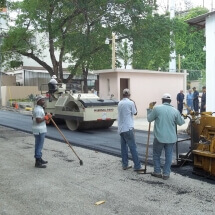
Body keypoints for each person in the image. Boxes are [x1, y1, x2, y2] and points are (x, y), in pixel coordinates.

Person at [147, 93, 185, 180]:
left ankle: (157, 172)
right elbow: (181, 122)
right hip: (171, 138)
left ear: (162, 100)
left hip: (159, 137)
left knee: (156, 155)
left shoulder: (157, 109)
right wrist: (182, 117)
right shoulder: (175, 111)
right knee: (169, 156)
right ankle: (166, 174)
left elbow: (149, 119)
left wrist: (149, 109)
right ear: (170, 101)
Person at [118, 88, 144, 173]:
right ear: (129, 95)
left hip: (121, 128)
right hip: (128, 128)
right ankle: (137, 166)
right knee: (133, 147)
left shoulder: (120, 103)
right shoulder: (131, 103)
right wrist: (134, 102)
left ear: (123, 95)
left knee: (124, 148)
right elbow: (135, 112)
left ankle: (125, 164)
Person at [32, 95, 52, 168]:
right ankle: (37, 162)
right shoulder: (38, 110)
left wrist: (47, 118)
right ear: (38, 101)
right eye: (42, 100)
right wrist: (46, 117)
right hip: (39, 130)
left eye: (44, 100)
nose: (44, 101)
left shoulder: (40, 109)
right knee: (39, 146)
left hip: (40, 129)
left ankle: (39, 158)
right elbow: (38, 120)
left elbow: (42, 120)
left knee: (39, 145)